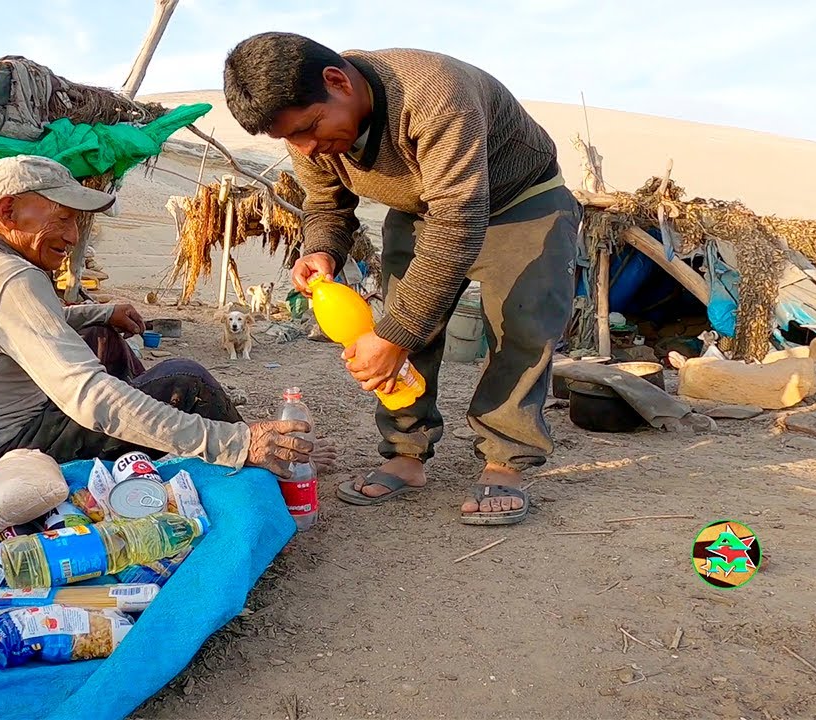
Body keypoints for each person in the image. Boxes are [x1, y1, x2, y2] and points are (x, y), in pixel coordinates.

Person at [223, 33, 581, 525]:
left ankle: (506, 460)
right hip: (420, 207)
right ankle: (406, 455)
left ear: (337, 82)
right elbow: (326, 205)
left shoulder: (435, 94)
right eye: (291, 140)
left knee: (522, 327)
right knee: (406, 321)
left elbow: (458, 222)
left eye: (309, 128)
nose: (306, 148)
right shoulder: (310, 139)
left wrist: (395, 336)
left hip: (523, 203)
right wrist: (322, 250)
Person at [0, 154, 315, 477]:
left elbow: (17, 327)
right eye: (62, 219)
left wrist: (105, 311)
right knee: (184, 380)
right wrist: (233, 442)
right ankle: (268, 454)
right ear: (8, 212)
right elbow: (90, 398)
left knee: (100, 333)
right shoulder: (13, 278)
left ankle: (146, 411)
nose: (73, 237)